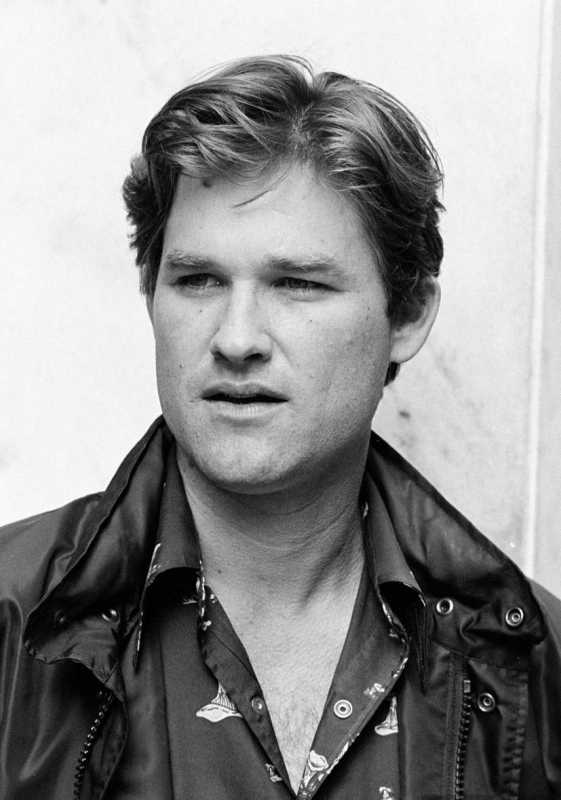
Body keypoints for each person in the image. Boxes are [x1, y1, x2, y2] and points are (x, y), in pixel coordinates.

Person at [1, 55, 560, 800]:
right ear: (150, 295)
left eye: (297, 283)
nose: (236, 339)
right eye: (198, 280)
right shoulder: (11, 616)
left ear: (407, 315)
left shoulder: (526, 657)